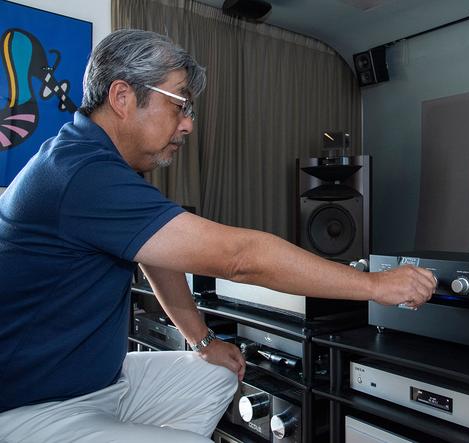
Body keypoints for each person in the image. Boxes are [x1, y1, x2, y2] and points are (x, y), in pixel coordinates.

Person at [0, 29, 436, 442]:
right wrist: (374, 285)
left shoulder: (96, 162)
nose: (188, 124)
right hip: (33, 406)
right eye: (179, 104)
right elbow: (240, 258)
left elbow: (157, 257)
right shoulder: (84, 175)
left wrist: (202, 340)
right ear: (122, 97)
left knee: (219, 372)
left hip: (100, 382)